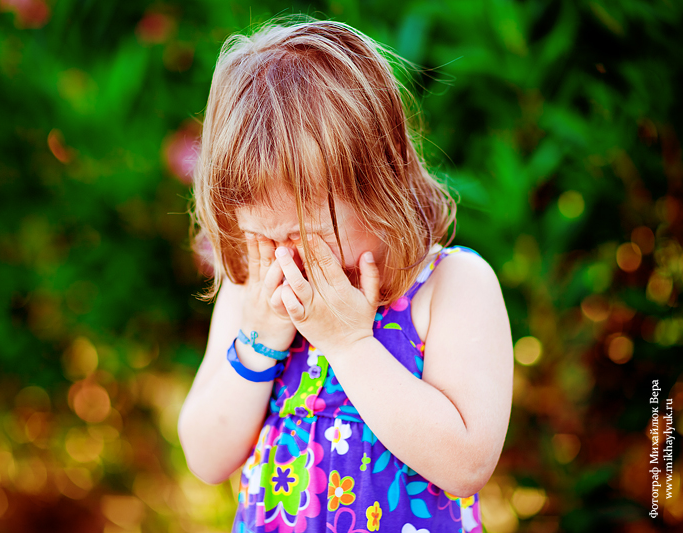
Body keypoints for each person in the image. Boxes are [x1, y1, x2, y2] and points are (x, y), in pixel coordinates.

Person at [178, 18, 513, 533]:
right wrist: (259, 342)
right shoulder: (253, 298)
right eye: (264, 239)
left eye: (307, 235)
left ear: (380, 189)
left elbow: (467, 465)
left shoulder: (450, 287)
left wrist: (349, 344)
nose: (286, 261)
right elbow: (205, 458)